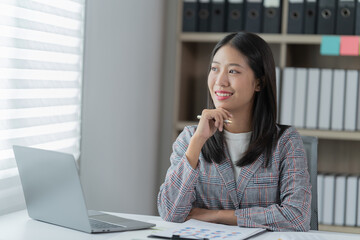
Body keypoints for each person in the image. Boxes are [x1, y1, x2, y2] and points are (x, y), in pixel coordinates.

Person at [157, 32, 311, 231]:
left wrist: (216, 216)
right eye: (214, 69)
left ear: (259, 82)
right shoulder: (190, 138)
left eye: (233, 72)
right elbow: (170, 212)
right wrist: (198, 142)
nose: (220, 81)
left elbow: (297, 217)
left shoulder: (285, 142)